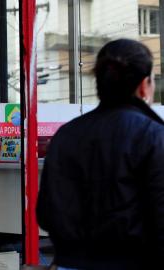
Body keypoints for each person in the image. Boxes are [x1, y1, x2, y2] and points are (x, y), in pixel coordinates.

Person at [36, 39, 164, 270]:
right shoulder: (153, 136)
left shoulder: (66, 135)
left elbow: (46, 214)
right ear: (144, 86)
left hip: (69, 263)